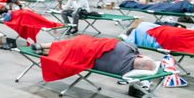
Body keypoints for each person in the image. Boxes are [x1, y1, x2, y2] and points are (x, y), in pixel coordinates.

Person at [31, 39, 159, 76]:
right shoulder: (121, 71)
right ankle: (45, 52)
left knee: (68, 44)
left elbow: (112, 41)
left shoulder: (129, 47)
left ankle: (43, 46)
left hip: (89, 45)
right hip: (86, 57)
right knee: (68, 54)